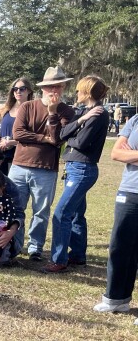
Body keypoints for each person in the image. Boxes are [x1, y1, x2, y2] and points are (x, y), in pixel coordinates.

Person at [45, 76, 110, 273]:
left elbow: (80, 142)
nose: (76, 94)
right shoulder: (84, 112)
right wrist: (79, 121)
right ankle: (78, 255)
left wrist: (71, 134)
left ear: (87, 92)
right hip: (73, 167)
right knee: (75, 214)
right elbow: (62, 134)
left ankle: (59, 259)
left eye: (79, 90)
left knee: (61, 213)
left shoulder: (99, 114)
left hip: (83, 168)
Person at [10, 65, 75, 261]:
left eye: (58, 86)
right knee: (15, 207)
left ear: (63, 88)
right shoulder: (27, 106)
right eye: (50, 86)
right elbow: (18, 133)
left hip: (46, 169)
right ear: (42, 88)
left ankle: (35, 247)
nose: (53, 90)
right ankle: (15, 245)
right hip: (19, 165)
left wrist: (53, 112)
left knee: (41, 212)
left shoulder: (67, 112)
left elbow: (57, 139)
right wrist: (43, 138)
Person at [94, 112, 138, 319]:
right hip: (129, 191)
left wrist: (134, 154)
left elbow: (126, 154)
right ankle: (116, 300)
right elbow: (116, 153)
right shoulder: (135, 119)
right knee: (120, 245)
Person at [0, 77, 34, 175]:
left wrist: (11, 142)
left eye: (22, 89)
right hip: (2, 155)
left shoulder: (33, 111)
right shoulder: (5, 109)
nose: (18, 91)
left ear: (28, 91)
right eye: (15, 89)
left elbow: (33, 136)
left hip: (22, 156)